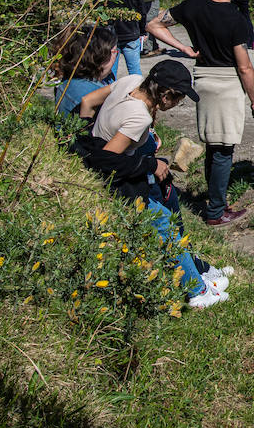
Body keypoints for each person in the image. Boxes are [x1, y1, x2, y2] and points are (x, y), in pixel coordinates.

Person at [76, 59, 232, 309]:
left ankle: (199, 270)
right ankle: (198, 291)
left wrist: (88, 134)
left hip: (120, 166)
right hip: (117, 183)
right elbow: (107, 159)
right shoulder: (138, 116)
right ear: (167, 95)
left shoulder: (132, 81)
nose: (179, 104)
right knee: (165, 224)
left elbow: (87, 102)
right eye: (179, 98)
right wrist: (149, 165)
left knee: (167, 204)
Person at [146, 0, 254, 227]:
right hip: (227, 83)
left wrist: (182, 48)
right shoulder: (235, 19)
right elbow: (244, 67)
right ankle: (216, 212)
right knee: (224, 149)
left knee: (213, 144)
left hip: (203, 79)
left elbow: (153, 24)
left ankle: (215, 200)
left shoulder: (193, 5)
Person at [92, 0, 146, 78]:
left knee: (109, 73)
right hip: (131, 32)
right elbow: (141, 10)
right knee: (135, 71)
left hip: (109, 36)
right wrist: (143, 31)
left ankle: (110, 95)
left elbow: (97, 16)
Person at [50, 24, 118, 116]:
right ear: (100, 56)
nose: (115, 57)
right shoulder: (97, 96)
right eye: (114, 52)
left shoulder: (67, 80)